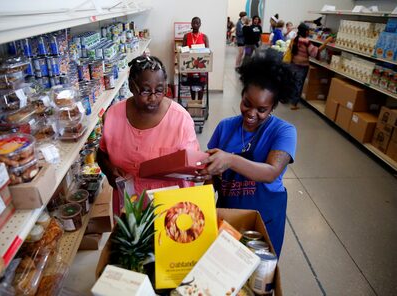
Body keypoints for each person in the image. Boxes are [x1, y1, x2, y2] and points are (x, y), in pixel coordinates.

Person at [198, 49, 298, 257]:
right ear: (242, 95)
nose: (252, 114)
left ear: (272, 108)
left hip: (264, 218)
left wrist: (230, 159)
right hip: (228, 216)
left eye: (262, 109)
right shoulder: (225, 127)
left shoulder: (284, 132)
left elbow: (271, 172)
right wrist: (205, 192)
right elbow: (213, 178)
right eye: (247, 104)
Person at [97, 55, 200, 216]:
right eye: (145, 91)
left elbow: (193, 167)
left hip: (169, 210)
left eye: (159, 91)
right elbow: (102, 153)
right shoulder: (113, 115)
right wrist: (109, 171)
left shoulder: (180, 120)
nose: (153, 98)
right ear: (132, 86)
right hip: (128, 206)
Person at [290, 22, 333, 109]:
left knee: (293, 83)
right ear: (306, 32)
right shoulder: (306, 41)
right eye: (308, 31)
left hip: (293, 64)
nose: (309, 32)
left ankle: (290, 100)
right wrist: (326, 42)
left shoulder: (295, 39)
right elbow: (315, 52)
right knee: (299, 84)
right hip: (302, 66)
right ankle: (294, 104)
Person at [182, 16, 209, 101]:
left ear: (200, 24)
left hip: (202, 66)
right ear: (191, 24)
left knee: (201, 84)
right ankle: (193, 101)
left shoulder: (204, 37)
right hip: (191, 65)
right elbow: (183, 50)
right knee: (192, 84)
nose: (195, 24)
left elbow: (207, 52)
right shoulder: (186, 36)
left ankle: (200, 102)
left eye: (197, 23)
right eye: (194, 23)